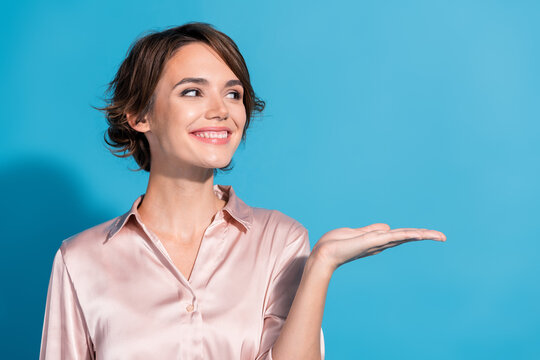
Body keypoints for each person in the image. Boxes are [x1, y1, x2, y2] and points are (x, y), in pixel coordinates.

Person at [39, 22, 446, 360]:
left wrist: (320, 266)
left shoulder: (281, 240)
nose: (222, 110)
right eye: (192, 91)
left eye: (233, 93)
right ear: (139, 115)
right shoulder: (80, 260)